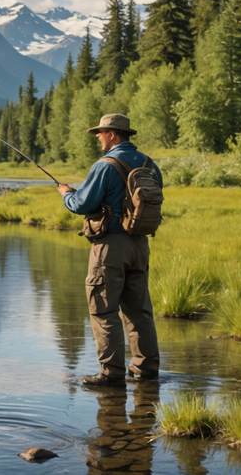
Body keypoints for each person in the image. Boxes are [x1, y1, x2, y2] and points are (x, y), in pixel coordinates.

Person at [57, 114, 161, 387]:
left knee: (104, 310)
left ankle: (111, 374)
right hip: (140, 244)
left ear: (113, 134)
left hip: (110, 246)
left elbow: (81, 204)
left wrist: (66, 194)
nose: (98, 137)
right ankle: (145, 370)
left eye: (100, 133)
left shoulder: (105, 165)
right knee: (139, 311)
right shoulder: (150, 164)